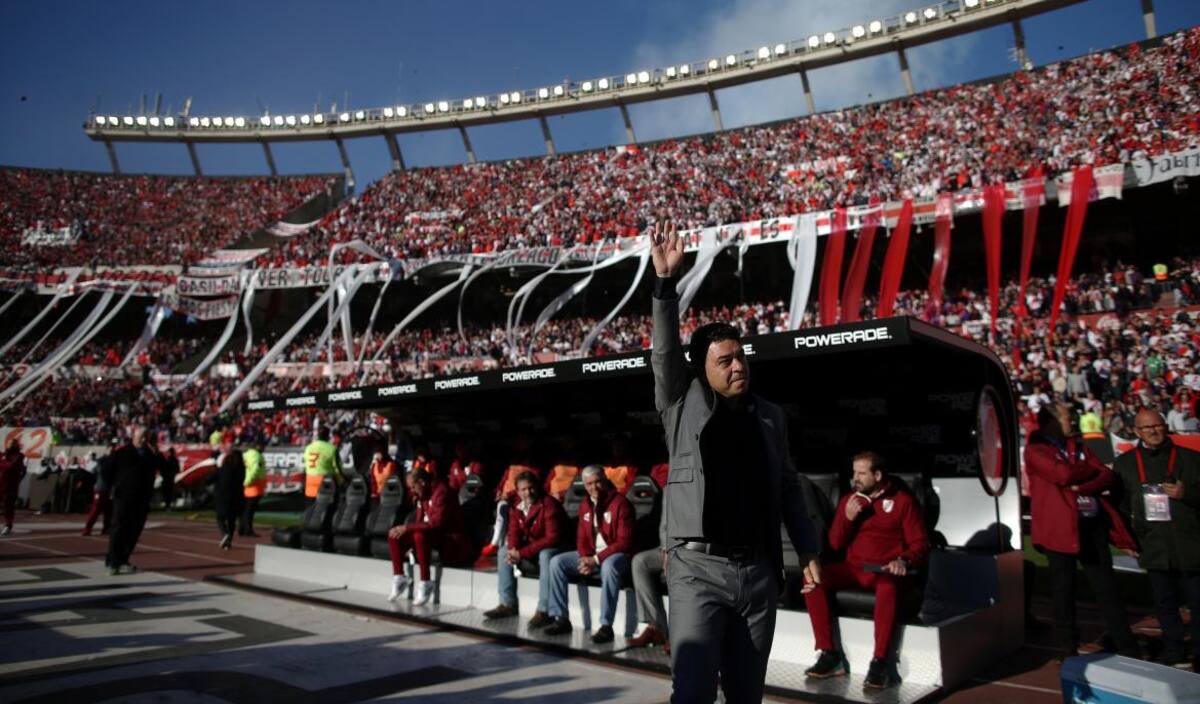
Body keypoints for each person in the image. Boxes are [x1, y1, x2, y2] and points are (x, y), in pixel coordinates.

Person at [649, 221, 821, 703]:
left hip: (758, 574)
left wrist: (807, 549)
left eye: (740, 357)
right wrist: (665, 284)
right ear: (702, 370)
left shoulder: (770, 417)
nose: (738, 365)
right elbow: (665, 352)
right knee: (694, 691)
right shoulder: (681, 406)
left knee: (746, 695)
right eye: (724, 360)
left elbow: (788, 486)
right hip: (697, 570)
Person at [802, 452, 930, 689]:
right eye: (854, 473)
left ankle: (880, 661)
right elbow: (835, 544)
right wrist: (847, 518)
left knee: (887, 586)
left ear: (878, 475)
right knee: (813, 577)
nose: (855, 478)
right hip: (854, 569)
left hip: (886, 571)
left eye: (861, 473)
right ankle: (829, 655)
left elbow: (920, 544)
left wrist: (903, 560)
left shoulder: (903, 501)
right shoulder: (850, 500)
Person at [1025, 402, 1140, 660]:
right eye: (1068, 417)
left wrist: (1083, 487)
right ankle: (1068, 649)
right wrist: (1086, 474)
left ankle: (1126, 646)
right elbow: (1063, 474)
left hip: (1091, 525)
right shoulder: (1035, 450)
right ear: (1051, 421)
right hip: (1060, 530)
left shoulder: (1078, 446)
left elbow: (1106, 476)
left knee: (1107, 588)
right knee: (1064, 591)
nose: (1074, 421)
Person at [1112, 408, 1200, 670]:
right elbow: (1119, 507)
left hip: (1191, 543)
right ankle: (1174, 649)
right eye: (1147, 428)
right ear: (1137, 432)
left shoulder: (1192, 459)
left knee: (1198, 602)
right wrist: (1126, 540)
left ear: (1166, 426)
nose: (1153, 431)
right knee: (1165, 603)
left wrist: (1188, 493)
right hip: (1154, 545)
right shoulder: (1125, 464)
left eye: (1158, 426)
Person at [543, 465, 635, 643]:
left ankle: (606, 626)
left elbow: (624, 543)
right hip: (593, 556)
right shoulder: (585, 504)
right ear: (584, 486)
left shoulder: (621, 504)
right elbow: (582, 538)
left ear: (605, 480)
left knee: (609, 566)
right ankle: (561, 618)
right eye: (589, 484)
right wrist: (585, 559)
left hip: (619, 555)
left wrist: (595, 560)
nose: (594, 487)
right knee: (556, 562)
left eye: (598, 482)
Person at [483, 470, 569, 628]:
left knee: (545, 555)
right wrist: (513, 550)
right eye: (523, 489)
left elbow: (552, 538)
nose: (528, 492)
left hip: (558, 548)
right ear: (517, 491)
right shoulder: (517, 506)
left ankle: (544, 611)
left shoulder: (549, 504)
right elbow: (513, 531)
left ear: (537, 487)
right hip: (535, 548)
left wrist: (521, 553)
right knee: (503, 550)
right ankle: (507, 604)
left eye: (531, 488)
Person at [386, 469, 474, 606]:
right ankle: (399, 577)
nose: (412, 491)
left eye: (413, 487)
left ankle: (426, 582)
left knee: (419, 535)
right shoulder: (423, 493)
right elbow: (420, 520)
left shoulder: (442, 492)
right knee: (394, 535)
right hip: (434, 535)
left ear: (422, 482)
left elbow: (437, 523)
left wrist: (406, 528)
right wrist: (408, 539)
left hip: (450, 539)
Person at [105, 429, 156, 575]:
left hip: (142, 499)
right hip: (123, 497)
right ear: (134, 437)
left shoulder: (150, 454)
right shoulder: (122, 452)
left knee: (134, 530)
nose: (144, 439)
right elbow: (108, 470)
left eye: (146, 436)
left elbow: (163, 467)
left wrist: (156, 452)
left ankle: (124, 560)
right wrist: (113, 487)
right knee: (119, 528)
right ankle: (113, 561)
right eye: (141, 437)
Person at [213, 441, 245, 550]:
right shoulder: (241, 469)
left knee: (220, 517)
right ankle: (229, 541)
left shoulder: (224, 467)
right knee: (232, 519)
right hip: (237, 496)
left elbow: (213, 477)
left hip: (223, 496)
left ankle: (225, 533)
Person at [303, 427, 343, 501]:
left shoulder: (308, 448)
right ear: (328, 436)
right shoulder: (332, 448)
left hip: (310, 483)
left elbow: (305, 463)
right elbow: (338, 468)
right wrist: (341, 482)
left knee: (310, 509)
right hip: (325, 484)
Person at [82, 446, 114, 536]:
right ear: (106, 450)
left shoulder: (113, 461)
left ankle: (106, 528)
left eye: (113, 450)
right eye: (110, 450)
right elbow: (98, 472)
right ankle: (87, 528)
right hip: (101, 488)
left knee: (109, 511)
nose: (112, 452)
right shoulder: (101, 461)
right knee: (96, 509)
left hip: (109, 489)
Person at [0, 439, 27, 536]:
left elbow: (10, 466)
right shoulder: (4, 454)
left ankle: (8, 525)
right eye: (10, 443)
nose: (10, 444)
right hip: (2, 482)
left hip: (11, 485)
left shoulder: (19, 456)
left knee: (8, 505)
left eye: (13, 443)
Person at [241, 442, 266, 536]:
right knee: (250, 510)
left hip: (248, 485)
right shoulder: (256, 456)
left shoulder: (245, 454)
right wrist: (248, 482)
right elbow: (255, 471)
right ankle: (248, 530)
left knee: (246, 509)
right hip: (253, 486)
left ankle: (242, 528)